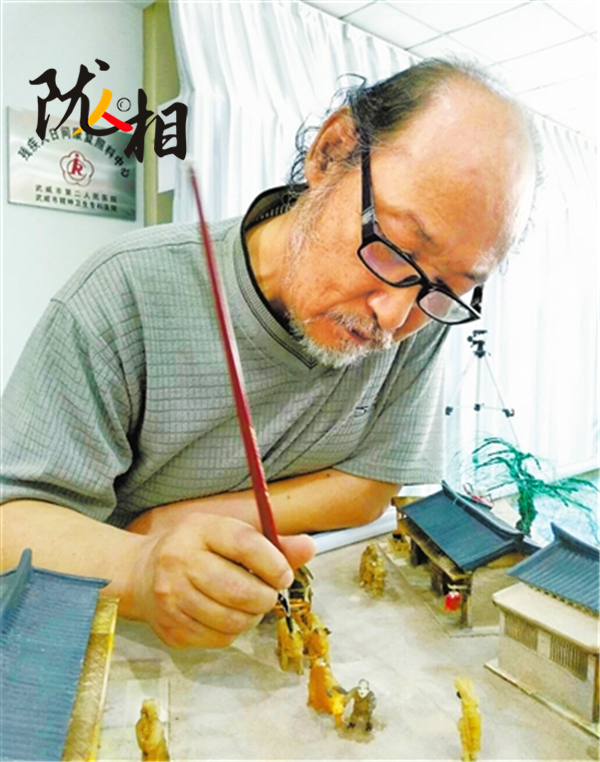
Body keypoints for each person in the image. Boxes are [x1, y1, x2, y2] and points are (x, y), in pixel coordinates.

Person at [0, 59, 537, 650]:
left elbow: (371, 485)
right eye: (394, 247)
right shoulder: (124, 291)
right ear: (332, 154)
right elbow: (12, 519)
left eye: (450, 287)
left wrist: (173, 522)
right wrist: (141, 564)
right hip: (116, 626)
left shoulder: (422, 315)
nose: (393, 316)